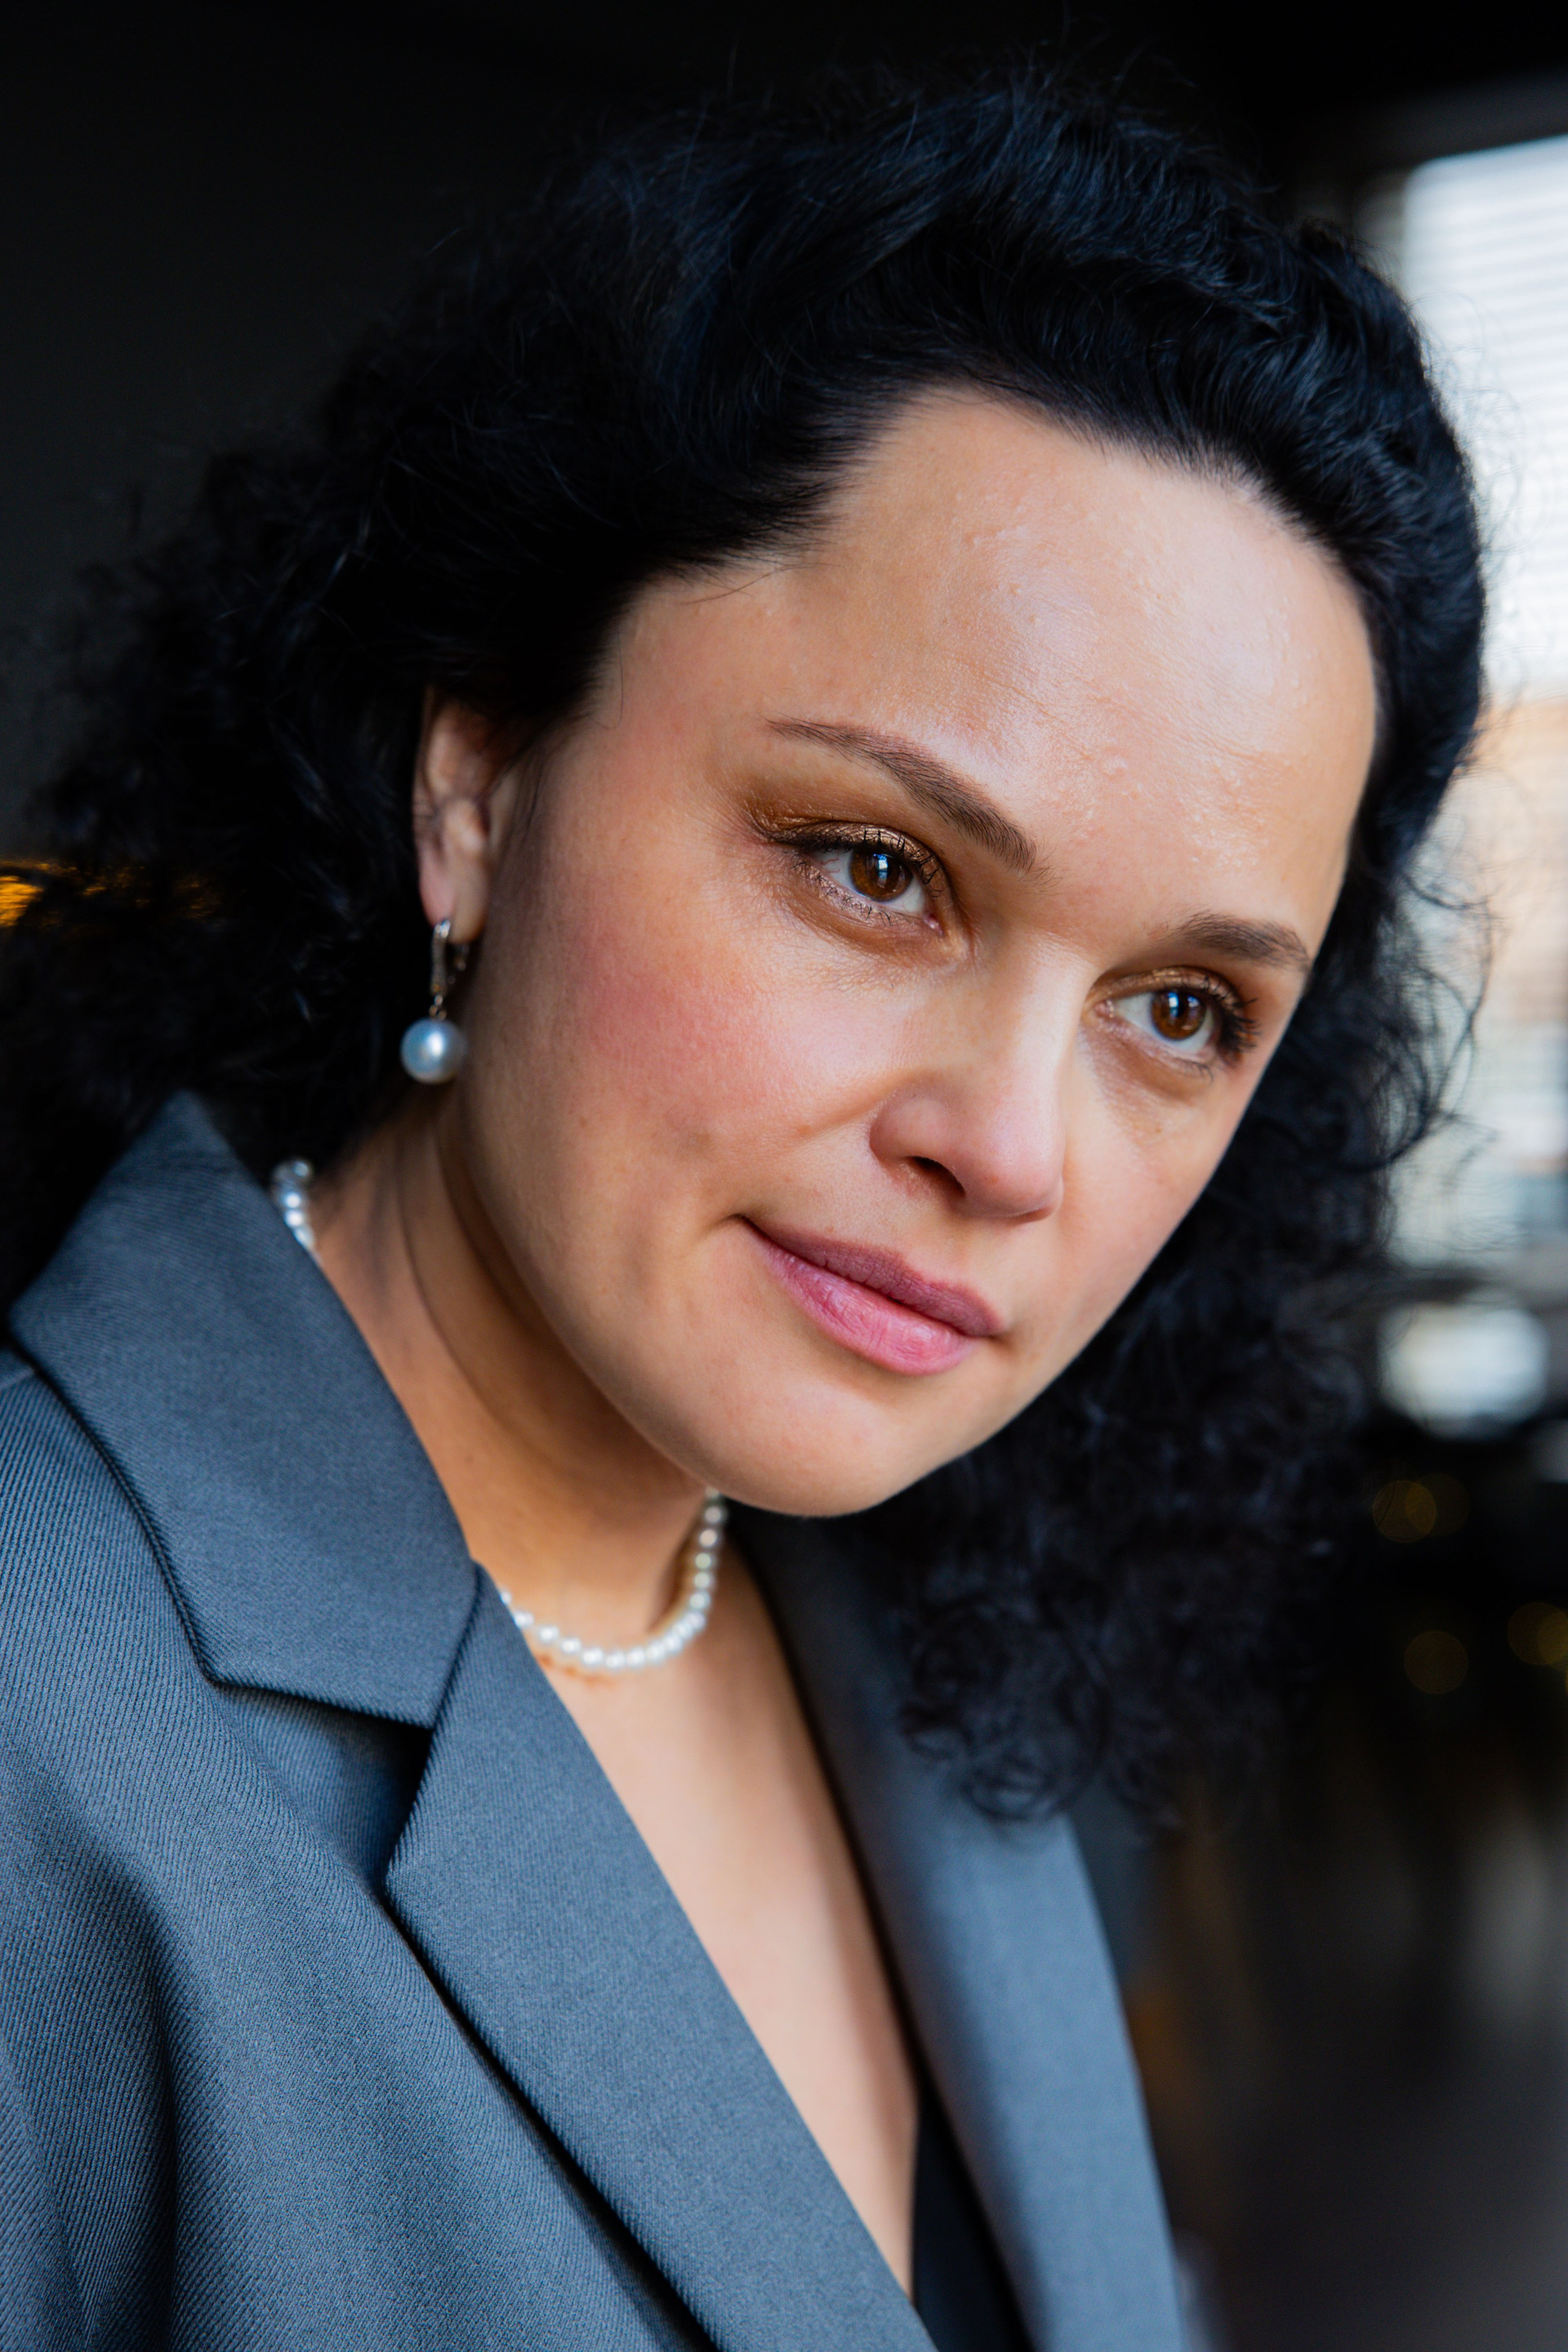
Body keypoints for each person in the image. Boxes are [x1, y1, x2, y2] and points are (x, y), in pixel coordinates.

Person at [0, 66, 1480, 2352]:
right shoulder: (45, 1732)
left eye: (1183, 1009)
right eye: (878, 869)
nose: (1015, 1149)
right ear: (477, 780)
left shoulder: (913, 1633)